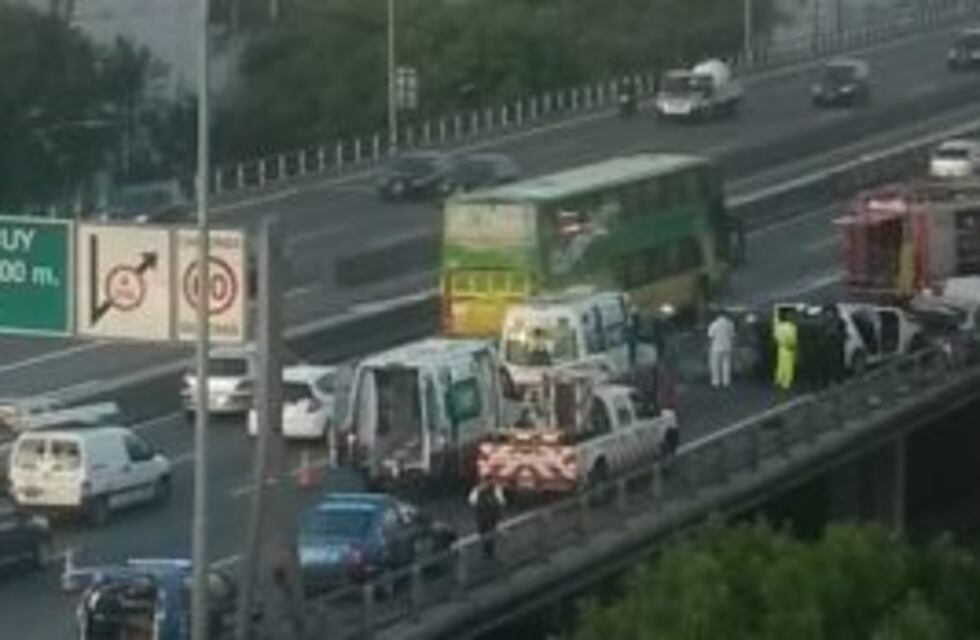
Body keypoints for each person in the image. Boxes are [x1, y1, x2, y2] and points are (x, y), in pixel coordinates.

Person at [468, 479, 506, 559]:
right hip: (489, 517)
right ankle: (489, 551)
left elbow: (472, 501)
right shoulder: (495, 489)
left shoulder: (478, 489)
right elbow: (502, 502)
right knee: (489, 533)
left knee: (485, 533)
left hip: (484, 517)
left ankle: (487, 550)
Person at [707, 310, 736, 388]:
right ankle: (726, 382)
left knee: (715, 365)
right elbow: (732, 336)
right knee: (726, 365)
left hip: (716, 346)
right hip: (727, 346)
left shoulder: (714, 324)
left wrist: (709, 346)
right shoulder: (730, 324)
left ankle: (715, 381)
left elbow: (710, 336)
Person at [773, 307, 798, 392]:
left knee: (781, 365)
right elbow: (793, 339)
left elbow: (776, 337)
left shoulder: (779, 326)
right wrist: (793, 347)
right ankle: (786, 383)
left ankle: (778, 380)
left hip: (781, 347)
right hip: (789, 347)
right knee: (788, 366)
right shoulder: (792, 327)